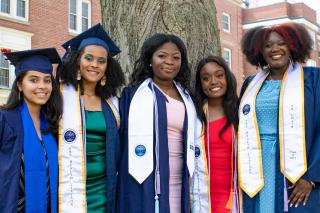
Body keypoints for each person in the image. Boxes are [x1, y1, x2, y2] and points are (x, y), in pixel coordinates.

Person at [239, 22, 320, 212]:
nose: (275, 49)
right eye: (268, 45)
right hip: (257, 163)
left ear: (292, 46)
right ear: (260, 51)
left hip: (298, 166)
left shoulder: (313, 79)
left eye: (281, 43)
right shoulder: (251, 84)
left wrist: (312, 177)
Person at [117, 33, 201, 213]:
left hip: (181, 180)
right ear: (150, 60)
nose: (169, 62)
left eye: (176, 57)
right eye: (162, 56)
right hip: (144, 182)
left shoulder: (188, 98)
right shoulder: (132, 96)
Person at [57, 23, 125, 213]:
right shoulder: (60, 97)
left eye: (101, 61)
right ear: (77, 61)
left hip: (105, 186)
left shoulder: (113, 104)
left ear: (107, 67)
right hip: (69, 184)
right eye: (89, 58)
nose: (95, 65)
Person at [0, 48, 62, 213]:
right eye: (33, 80)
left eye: (47, 80)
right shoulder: (5, 120)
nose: (42, 86)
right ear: (20, 85)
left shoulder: (52, 124)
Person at [192, 55, 239, 212]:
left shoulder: (241, 112)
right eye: (206, 78)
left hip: (234, 193)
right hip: (201, 192)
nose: (213, 82)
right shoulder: (194, 114)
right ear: (200, 84)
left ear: (227, 77)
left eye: (219, 75)